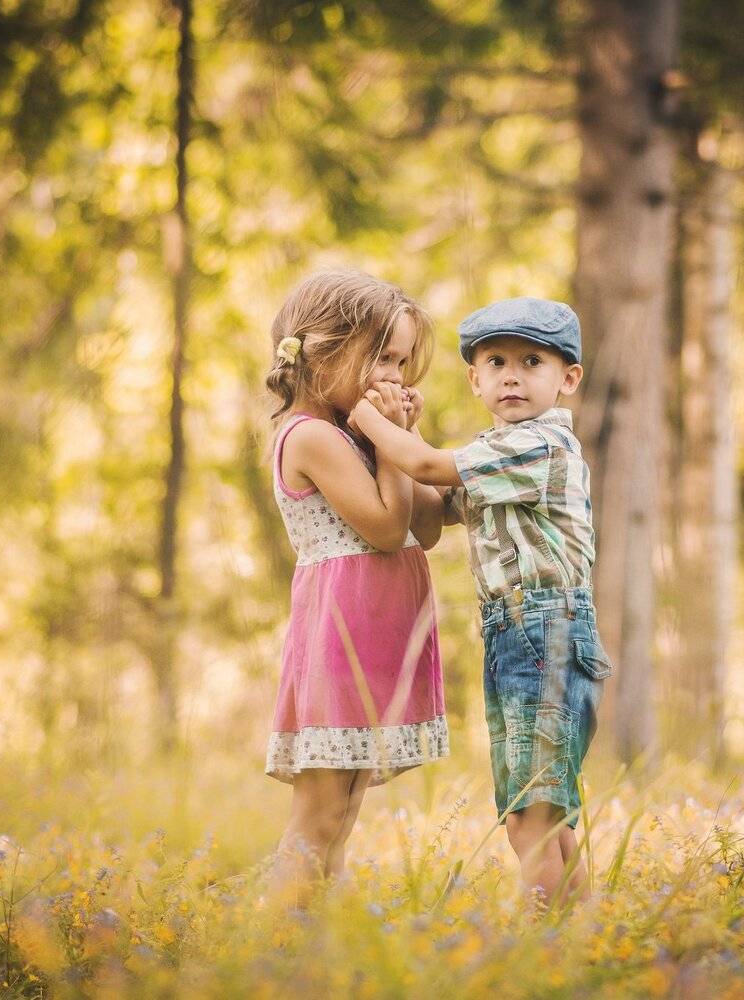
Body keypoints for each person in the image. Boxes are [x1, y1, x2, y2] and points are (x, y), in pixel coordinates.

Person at [348, 296, 610, 908]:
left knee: (530, 817)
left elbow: (423, 464)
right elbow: (435, 511)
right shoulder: (497, 450)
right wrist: (402, 431)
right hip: (516, 632)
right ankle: (582, 936)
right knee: (544, 813)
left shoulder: (540, 445)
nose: (511, 374)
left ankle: (540, 951)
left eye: (531, 361)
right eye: (495, 361)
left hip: (545, 628)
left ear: (567, 379)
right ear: (475, 378)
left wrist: (369, 416)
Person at [263, 268, 450, 885]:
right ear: (324, 352)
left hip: (377, 635)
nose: (394, 377)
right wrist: (389, 439)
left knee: (342, 816)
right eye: (382, 359)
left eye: (400, 362)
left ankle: (314, 954)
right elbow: (386, 528)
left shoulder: (358, 435)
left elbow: (427, 526)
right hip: (341, 635)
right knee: (318, 816)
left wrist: (406, 439)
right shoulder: (313, 434)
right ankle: (267, 947)